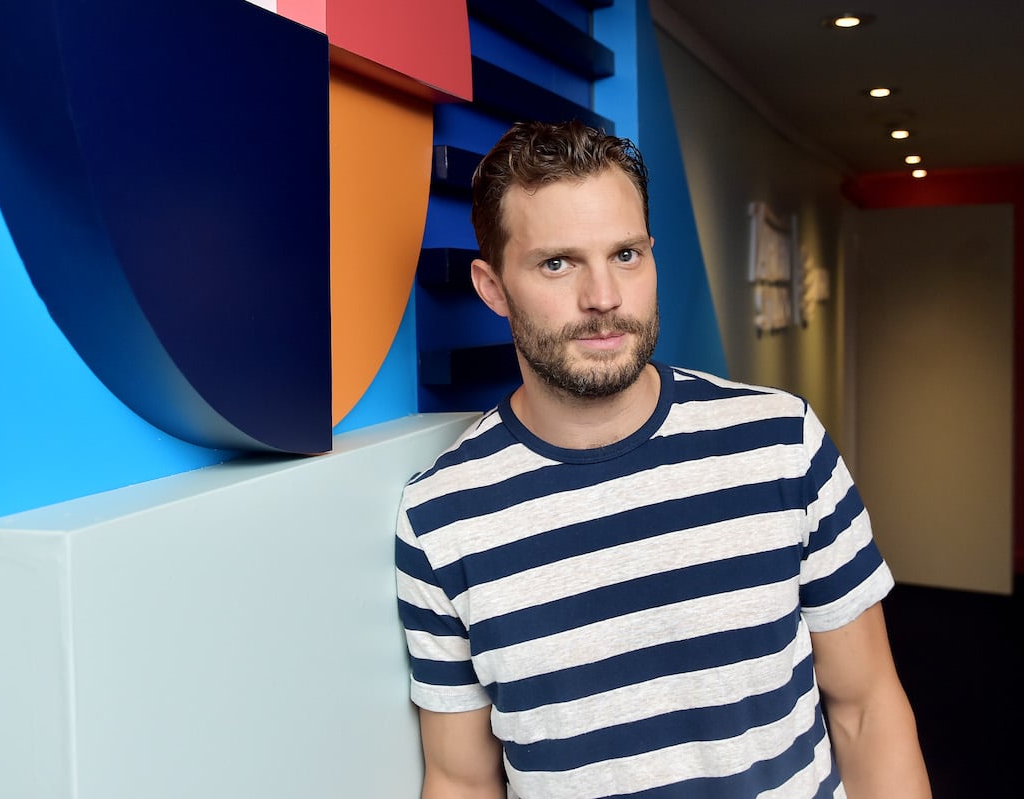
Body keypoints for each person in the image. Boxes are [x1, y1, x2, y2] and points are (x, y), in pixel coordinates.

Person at [395, 119, 932, 799]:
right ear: (492, 286)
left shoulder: (782, 444)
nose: (604, 298)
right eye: (557, 263)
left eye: (625, 254)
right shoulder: (440, 516)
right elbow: (461, 781)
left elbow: (867, 709)